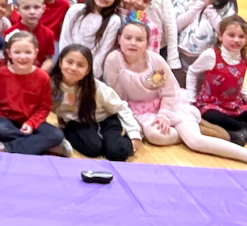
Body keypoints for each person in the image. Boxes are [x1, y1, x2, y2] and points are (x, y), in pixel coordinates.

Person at [104, 20, 247, 164]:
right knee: (155, 136)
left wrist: (164, 115)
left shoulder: (155, 60)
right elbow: (116, 96)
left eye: (139, 39)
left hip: (169, 105)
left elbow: (170, 91)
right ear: (119, 39)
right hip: (140, 111)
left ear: (147, 43)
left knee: (195, 141)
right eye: (128, 38)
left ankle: (239, 153)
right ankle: (195, 128)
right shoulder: (113, 60)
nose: (133, 43)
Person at [0, 30, 64, 155]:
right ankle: (41, 145)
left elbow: (44, 107)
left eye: (28, 52)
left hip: (30, 118)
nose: (22, 57)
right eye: (17, 52)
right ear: (9, 53)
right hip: (5, 118)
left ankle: (5, 148)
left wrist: (31, 123)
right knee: (0, 130)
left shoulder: (43, 77)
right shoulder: (2, 73)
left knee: (56, 134)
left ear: (35, 53)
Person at [51, 44, 140, 161]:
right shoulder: (50, 85)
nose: (73, 68)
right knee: (93, 149)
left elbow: (121, 107)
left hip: (106, 120)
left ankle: (113, 140)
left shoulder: (97, 88)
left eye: (80, 65)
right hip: (78, 122)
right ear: (60, 62)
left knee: (117, 152)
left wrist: (134, 133)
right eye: (69, 62)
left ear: (87, 70)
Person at [185, 14, 247, 145]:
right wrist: (191, 99)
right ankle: (239, 129)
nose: (236, 40)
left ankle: (239, 131)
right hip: (211, 104)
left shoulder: (243, 58)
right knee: (212, 116)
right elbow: (192, 71)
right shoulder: (211, 55)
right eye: (231, 35)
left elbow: (239, 82)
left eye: (241, 36)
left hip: (234, 104)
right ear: (220, 36)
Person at [173, 0, 237, 81]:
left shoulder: (227, 6)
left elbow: (225, 31)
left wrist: (209, 7)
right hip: (179, 54)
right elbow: (175, 25)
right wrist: (199, 5)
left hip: (208, 59)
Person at [58, 0, 122, 78]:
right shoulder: (75, 10)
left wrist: (89, 74)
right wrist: (66, 64)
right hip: (66, 67)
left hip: (90, 73)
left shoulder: (114, 21)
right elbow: (65, 39)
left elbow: (103, 51)